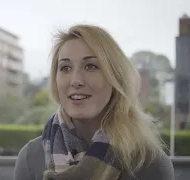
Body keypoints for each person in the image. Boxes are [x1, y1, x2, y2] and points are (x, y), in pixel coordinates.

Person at [14, 24, 174, 180]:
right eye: (65, 68)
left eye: (91, 66)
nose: (75, 81)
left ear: (116, 78)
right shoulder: (31, 159)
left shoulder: (149, 164)